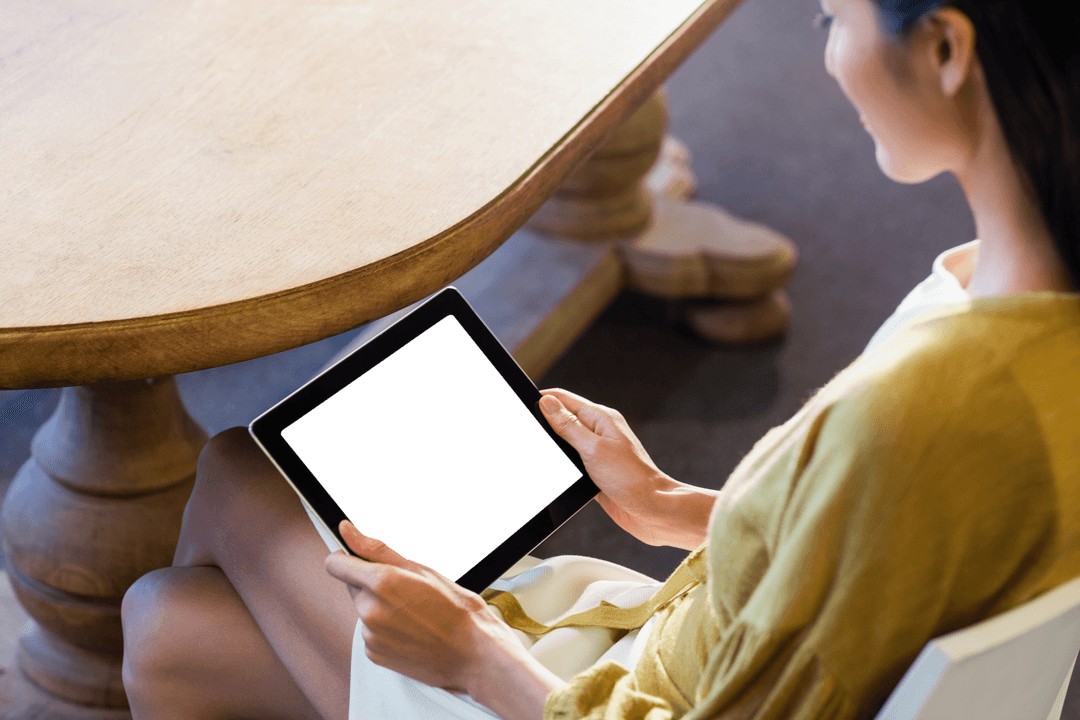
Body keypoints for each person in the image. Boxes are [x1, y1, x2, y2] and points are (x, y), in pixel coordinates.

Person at [120, 0, 1080, 718]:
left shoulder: (923, 409)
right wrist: (673, 506)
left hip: (585, 697)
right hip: (665, 640)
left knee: (238, 469)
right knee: (169, 629)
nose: (828, 57)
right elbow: (882, 551)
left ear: (948, 48)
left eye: (834, 18)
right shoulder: (1011, 314)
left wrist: (473, 655)